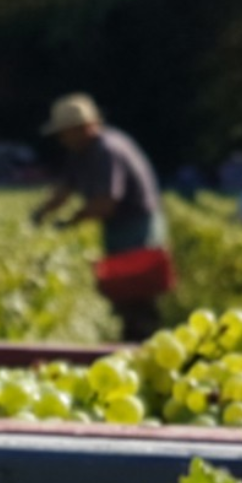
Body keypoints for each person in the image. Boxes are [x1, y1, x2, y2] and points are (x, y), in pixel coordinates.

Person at [29, 93, 169, 341]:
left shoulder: (106, 150)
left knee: (136, 288)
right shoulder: (81, 150)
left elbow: (106, 203)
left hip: (136, 224)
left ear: (82, 128)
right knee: (123, 290)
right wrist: (41, 212)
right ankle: (133, 336)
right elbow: (65, 189)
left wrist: (71, 221)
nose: (61, 138)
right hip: (118, 226)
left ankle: (144, 340)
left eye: (65, 131)